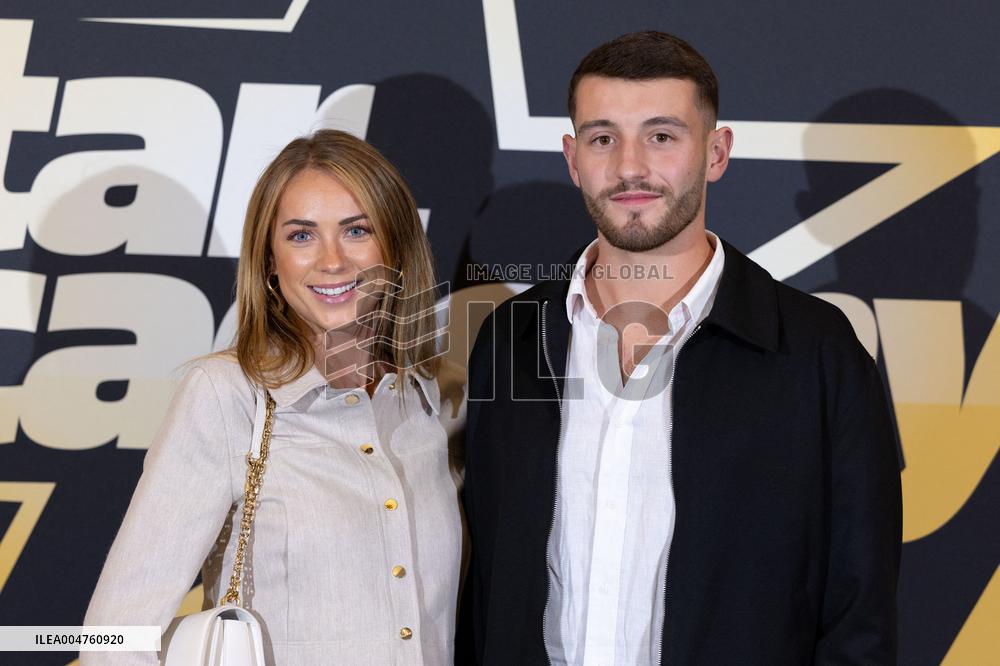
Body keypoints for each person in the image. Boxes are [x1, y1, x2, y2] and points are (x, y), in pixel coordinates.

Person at [459, 31, 901, 664]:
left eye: (662, 136)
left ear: (715, 152)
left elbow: (860, 616)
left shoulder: (816, 354)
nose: (630, 167)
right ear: (571, 157)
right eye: (603, 137)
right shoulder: (511, 338)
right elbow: (483, 589)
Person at [84, 129, 466, 665]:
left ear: (396, 249)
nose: (332, 261)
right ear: (269, 260)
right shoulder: (226, 396)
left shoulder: (439, 399)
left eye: (356, 230)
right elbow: (113, 637)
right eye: (301, 236)